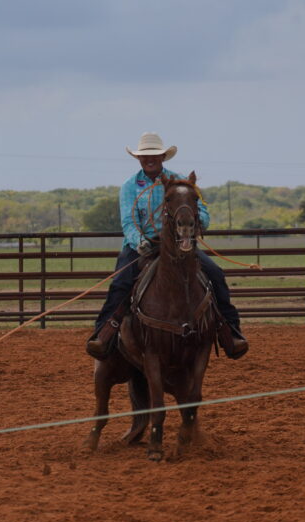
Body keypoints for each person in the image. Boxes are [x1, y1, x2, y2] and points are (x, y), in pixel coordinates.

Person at [85, 132, 249, 360]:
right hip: (141, 245)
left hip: (179, 245)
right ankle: (104, 334)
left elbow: (202, 213)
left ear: (163, 156)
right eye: (144, 156)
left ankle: (229, 331)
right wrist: (139, 242)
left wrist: (193, 225)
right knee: (121, 282)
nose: (149, 159)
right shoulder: (130, 186)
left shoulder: (181, 183)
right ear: (138, 159)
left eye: (154, 155)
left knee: (215, 274)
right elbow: (128, 222)